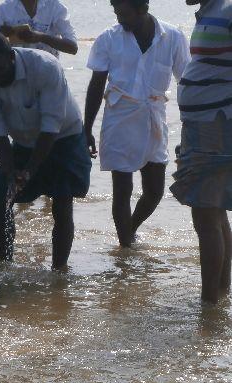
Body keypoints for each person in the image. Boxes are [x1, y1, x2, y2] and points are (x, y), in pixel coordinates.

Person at [0, 30, 92, 268]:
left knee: (62, 200)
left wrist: (29, 171)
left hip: (63, 137)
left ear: (11, 57)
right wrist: (10, 172)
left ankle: (59, 271)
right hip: (24, 141)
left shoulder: (45, 67)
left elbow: (51, 127)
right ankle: (4, 264)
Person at [84, 0, 190, 248]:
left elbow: (186, 82)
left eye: (124, 14)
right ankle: (125, 246)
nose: (119, 18)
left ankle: (130, 230)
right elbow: (97, 84)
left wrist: (190, 124)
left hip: (154, 117)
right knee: (122, 190)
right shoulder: (108, 38)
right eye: (116, 12)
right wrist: (86, 127)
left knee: (155, 191)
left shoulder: (172, 36)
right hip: (119, 119)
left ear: (143, 9)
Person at [170, 0, 232, 304]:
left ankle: (208, 307)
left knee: (205, 218)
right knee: (216, 211)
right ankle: (221, 293)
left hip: (217, 124)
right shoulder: (209, 11)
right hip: (201, 124)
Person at [0, 0, 78, 57]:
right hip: (16, 74)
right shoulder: (3, 10)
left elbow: (73, 48)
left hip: (49, 72)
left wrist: (41, 37)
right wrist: (2, 38)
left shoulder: (56, 8)